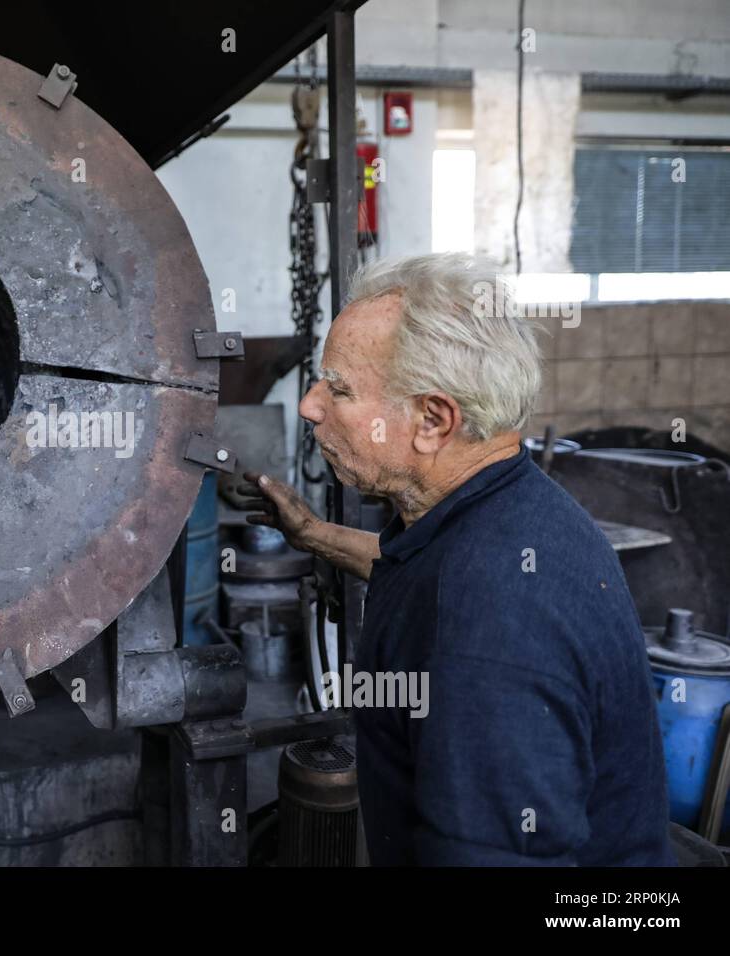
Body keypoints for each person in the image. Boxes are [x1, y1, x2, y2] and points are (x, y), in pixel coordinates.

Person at [242, 253, 674, 865]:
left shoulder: (488, 627)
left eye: (338, 388)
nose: (311, 406)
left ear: (431, 420)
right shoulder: (504, 507)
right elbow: (417, 572)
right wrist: (313, 533)